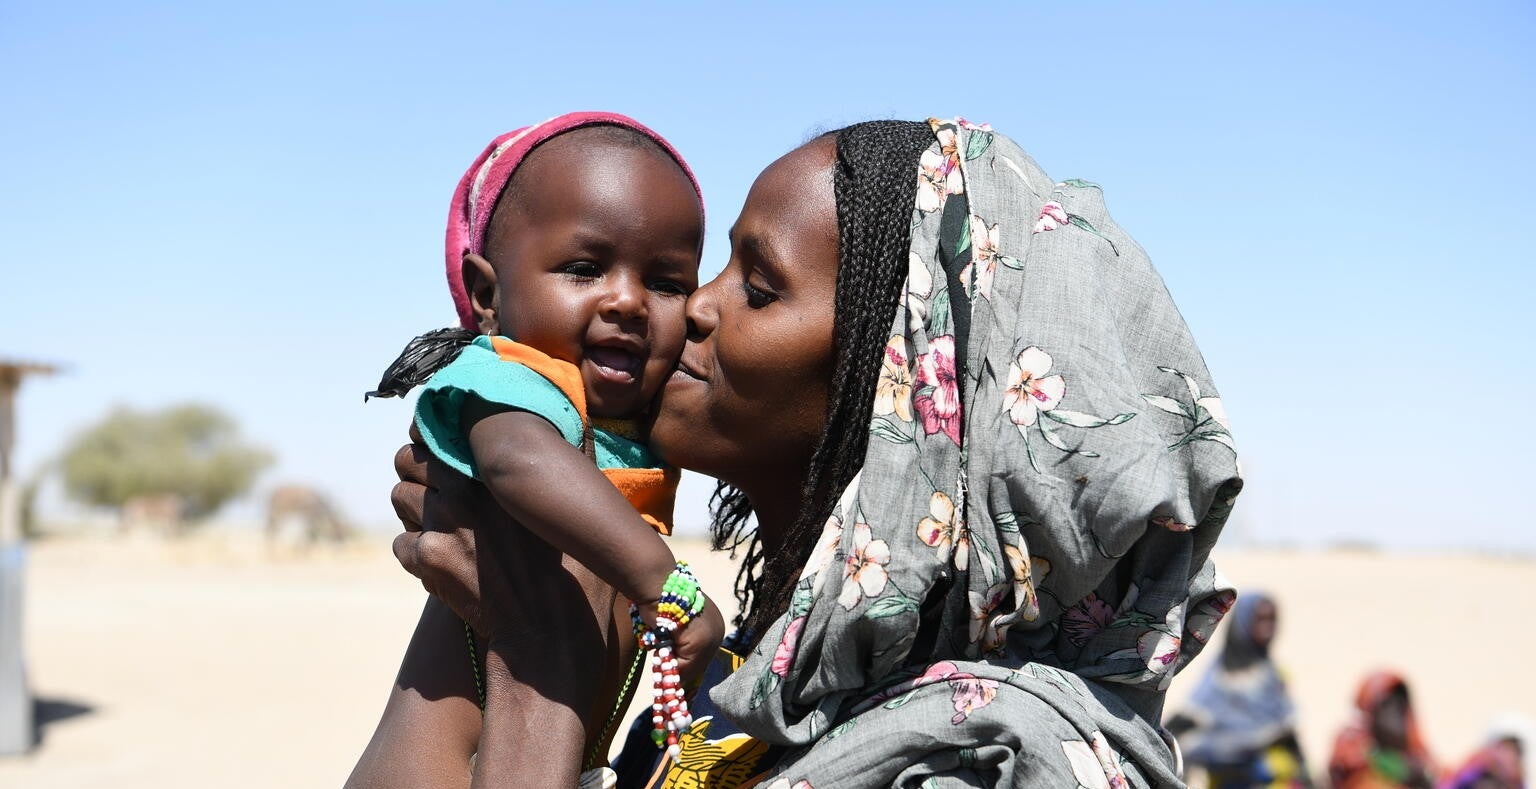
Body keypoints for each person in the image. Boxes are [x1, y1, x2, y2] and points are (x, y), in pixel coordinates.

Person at [378, 117, 1244, 787]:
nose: (689, 311)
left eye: (755, 288)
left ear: (906, 391)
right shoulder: (736, 697)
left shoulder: (979, 757)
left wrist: (539, 676)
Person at [349, 112, 723, 789]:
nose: (629, 301)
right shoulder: (511, 377)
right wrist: (662, 580)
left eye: (667, 282)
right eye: (585, 268)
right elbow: (517, 461)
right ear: (488, 294)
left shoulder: (616, 425)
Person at [1168, 592, 1311, 788]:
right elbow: (1184, 733)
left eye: (1273, 619)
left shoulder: (1275, 675)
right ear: (1242, 624)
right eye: (1260, 619)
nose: (1268, 628)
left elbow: (1289, 736)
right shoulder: (1220, 680)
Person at [1328, 672, 1438, 789]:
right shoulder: (1351, 740)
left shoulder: (1415, 749)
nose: (1393, 716)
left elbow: (1422, 771)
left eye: (1399, 706)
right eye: (1386, 706)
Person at [1438, 715, 1530, 789]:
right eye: (1503, 747)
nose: (1507, 757)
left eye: (1515, 751)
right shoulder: (1471, 774)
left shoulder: (1518, 782)